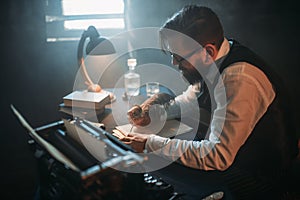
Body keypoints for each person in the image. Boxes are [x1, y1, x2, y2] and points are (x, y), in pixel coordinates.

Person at [122, 5, 298, 199]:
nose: (174, 63)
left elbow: (218, 156)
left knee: (152, 175)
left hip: (258, 178)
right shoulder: (214, 61)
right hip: (236, 162)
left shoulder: (240, 79)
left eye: (179, 58)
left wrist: (150, 143)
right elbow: (189, 100)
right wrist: (153, 115)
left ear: (208, 51)